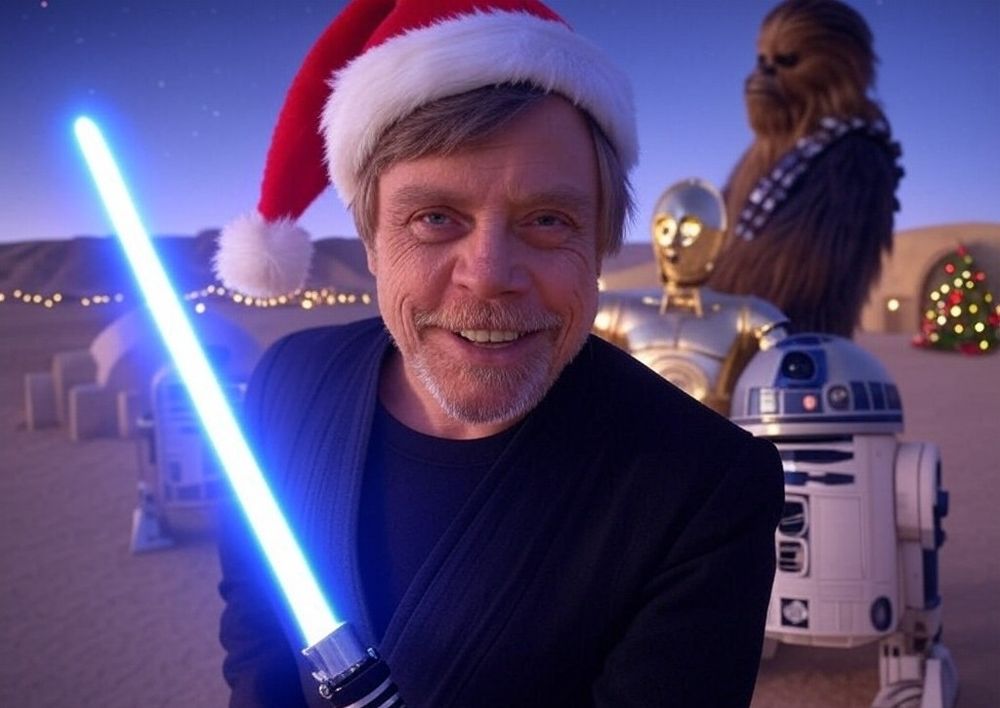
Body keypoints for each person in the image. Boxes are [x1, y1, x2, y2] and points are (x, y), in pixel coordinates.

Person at [214, 1, 784, 706]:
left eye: (548, 220)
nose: (488, 273)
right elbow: (257, 632)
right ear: (369, 241)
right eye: (434, 218)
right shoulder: (287, 385)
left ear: (601, 244)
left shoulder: (703, 484)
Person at [706, 0, 904, 337]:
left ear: (842, 70)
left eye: (787, 61)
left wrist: (715, 307)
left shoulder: (852, 157)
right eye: (762, 60)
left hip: (786, 346)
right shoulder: (767, 153)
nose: (763, 74)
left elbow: (796, 283)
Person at [594, 178, 787, 416]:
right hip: (630, 437)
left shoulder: (752, 315)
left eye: (689, 230)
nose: (673, 243)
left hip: (716, 441)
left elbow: (786, 369)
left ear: (714, 237)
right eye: (665, 229)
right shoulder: (614, 308)